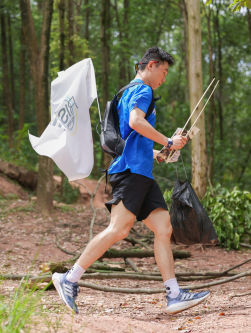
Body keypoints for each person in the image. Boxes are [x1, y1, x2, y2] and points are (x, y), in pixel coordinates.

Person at [52, 47, 210, 315]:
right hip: (130, 172)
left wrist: (159, 153)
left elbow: (131, 138)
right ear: (151, 65)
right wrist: (168, 140)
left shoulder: (129, 91)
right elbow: (137, 123)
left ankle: (174, 294)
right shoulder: (143, 91)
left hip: (141, 171)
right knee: (118, 230)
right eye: (164, 71)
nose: (164, 78)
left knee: (164, 228)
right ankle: (69, 278)